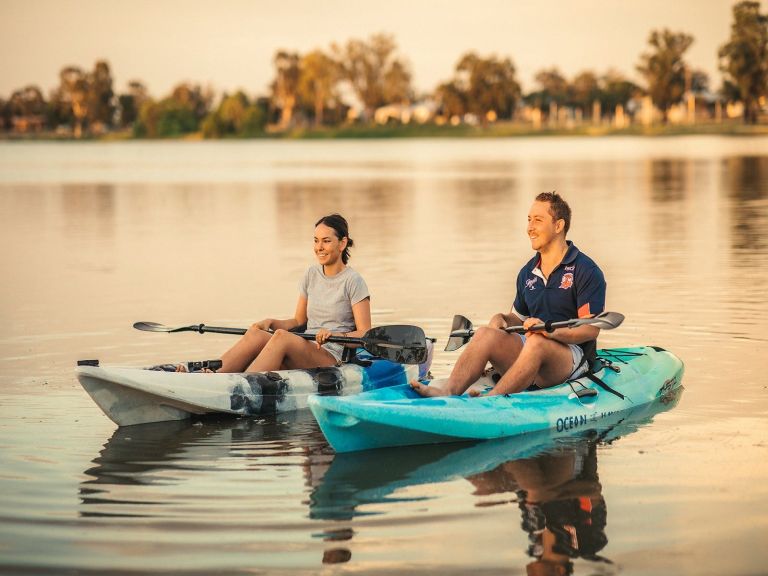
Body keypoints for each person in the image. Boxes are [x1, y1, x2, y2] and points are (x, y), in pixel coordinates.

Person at [411, 191, 606, 397]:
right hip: (532, 348)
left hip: (571, 359)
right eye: (529, 220)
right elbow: (518, 319)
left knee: (537, 342)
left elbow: (590, 330)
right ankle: (448, 391)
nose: (530, 227)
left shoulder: (586, 270)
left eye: (538, 220)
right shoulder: (527, 272)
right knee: (486, 333)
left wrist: (550, 333)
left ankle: (491, 399)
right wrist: (502, 319)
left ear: (558, 226)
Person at [182, 213, 371, 373]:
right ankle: (215, 374)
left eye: (326, 241)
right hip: (306, 344)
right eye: (316, 241)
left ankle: (239, 384)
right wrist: (271, 322)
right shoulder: (310, 274)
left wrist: (335, 334)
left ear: (342, 243)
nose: (319, 247)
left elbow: (365, 333)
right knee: (256, 334)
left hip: (331, 355)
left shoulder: (353, 281)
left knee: (281, 337)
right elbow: (298, 321)